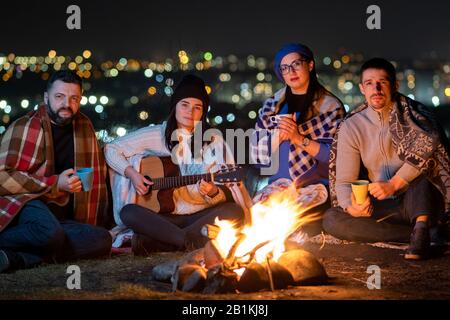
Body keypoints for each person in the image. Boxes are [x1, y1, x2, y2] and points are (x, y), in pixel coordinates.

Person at [105, 74, 251, 255]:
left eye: (197, 107)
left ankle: (163, 241)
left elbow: (226, 193)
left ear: (203, 112)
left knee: (234, 211)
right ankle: (188, 241)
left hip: (197, 217)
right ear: (175, 106)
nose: (190, 112)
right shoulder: (156, 134)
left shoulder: (213, 141)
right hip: (163, 218)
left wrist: (213, 192)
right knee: (128, 212)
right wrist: (133, 174)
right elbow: (111, 149)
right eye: (185, 105)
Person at [325, 58, 450, 260]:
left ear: (395, 85)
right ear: (362, 88)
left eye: (382, 82)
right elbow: (344, 181)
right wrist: (351, 206)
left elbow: (432, 147)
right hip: (383, 205)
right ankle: (421, 235)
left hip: (417, 201)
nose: (376, 88)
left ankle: (421, 228)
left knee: (423, 177)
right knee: (331, 219)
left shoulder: (416, 116)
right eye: (369, 83)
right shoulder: (352, 125)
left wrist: (394, 184)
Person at [0, 70, 111, 273]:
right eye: (59, 97)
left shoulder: (84, 127)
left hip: (62, 218)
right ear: (46, 98)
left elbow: (95, 177)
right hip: (27, 203)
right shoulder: (26, 126)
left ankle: (16, 257)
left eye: (74, 98)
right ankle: (25, 250)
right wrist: (54, 182)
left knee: (102, 239)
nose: (66, 104)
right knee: (49, 233)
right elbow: (2, 177)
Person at [251, 43, 345, 235]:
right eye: (284, 68)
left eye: (296, 64)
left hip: (315, 186)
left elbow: (335, 157)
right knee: (256, 219)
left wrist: (298, 138)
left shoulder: (330, 106)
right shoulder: (272, 105)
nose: (291, 71)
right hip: (278, 185)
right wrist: (277, 137)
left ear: (310, 65)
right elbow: (257, 155)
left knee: (294, 224)